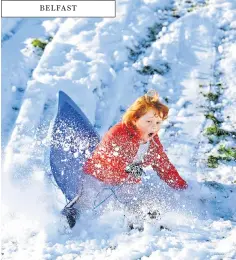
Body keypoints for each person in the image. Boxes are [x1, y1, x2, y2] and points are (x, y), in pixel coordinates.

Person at [62, 90, 188, 228]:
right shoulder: (119, 132)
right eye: (149, 121)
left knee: (131, 201)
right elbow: (110, 157)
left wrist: (182, 187)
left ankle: (141, 221)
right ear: (135, 119)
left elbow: (164, 165)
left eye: (158, 122)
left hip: (126, 182)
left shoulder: (153, 142)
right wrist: (130, 169)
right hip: (98, 176)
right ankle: (69, 217)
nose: (154, 126)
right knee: (87, 200)